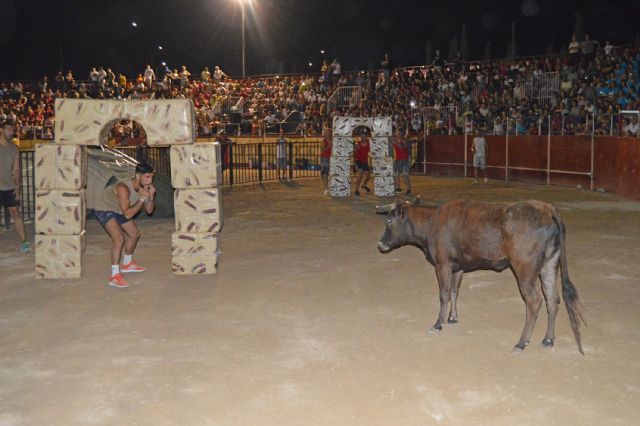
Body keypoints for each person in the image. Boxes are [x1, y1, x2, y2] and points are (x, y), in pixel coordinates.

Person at [93, 162, 156, 288]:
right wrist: (142, 199)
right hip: (105, 208)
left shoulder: (147, 186)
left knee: (134, 234)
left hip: (121, 209)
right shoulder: (123, 187)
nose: (150, 180)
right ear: (138, 176)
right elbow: (127, 215)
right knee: (119, 238)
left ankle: (127, 263)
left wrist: (151, 197)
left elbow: (149, 211)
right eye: (147, 177)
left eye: (151, 177)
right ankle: (114, 276)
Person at [0, 120, 30, 252]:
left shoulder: (15, 148)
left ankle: (24, 242)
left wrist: (18, 188)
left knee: (15, 213)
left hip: (8, 186)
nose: (11, 132)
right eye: (8, 129)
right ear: (1, 130)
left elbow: (17, 170)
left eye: (12, 130)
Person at [392, 129, 412, 195]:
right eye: (397, 133)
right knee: (395, 174)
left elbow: (401, 147)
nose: (398, 134)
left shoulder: (404, 140)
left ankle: (408, 189)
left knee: (405, 175)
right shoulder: (396, 140)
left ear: (401, 134)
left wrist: (395, 141)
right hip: (398, 159)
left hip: (404, 160)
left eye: (399, 133)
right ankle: (398, 188)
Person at [353, 131, 371, 196]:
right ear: (360, 137)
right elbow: (354, 154)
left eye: (364, 136)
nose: (363, 138)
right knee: (360, 175)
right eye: (362, 137)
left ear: (366, 137)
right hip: (358, 161)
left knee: (368, 176)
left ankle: (364, 185)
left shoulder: (369, 144)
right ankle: (356, 190)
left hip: (365, 161)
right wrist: (354, 163)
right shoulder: (358, 144)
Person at [319, 127, 332, 195]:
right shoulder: (323, 141)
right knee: (325, 173)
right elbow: (323, 150)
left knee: (328, 173)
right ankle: (325, 187)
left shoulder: (331, 140)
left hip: (331, 158)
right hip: (325, 157)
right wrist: (329, 146)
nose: (327, 134)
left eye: (328, 133)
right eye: (326, 133)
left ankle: (327, 187)